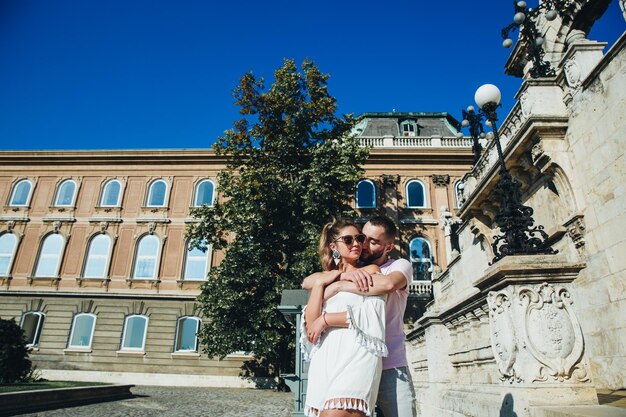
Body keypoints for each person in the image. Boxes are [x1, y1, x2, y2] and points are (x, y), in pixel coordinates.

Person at [303, 215, 417, 417]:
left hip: (384, 361)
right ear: (334, 246)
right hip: (329, 357)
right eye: (354, 239)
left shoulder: (392, 268)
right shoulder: (327, 277)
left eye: (368, 241)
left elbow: (385, 291)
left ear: (388, 247)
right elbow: (308, 308)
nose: (360, 244)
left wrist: (330, 306)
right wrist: (330, 281)